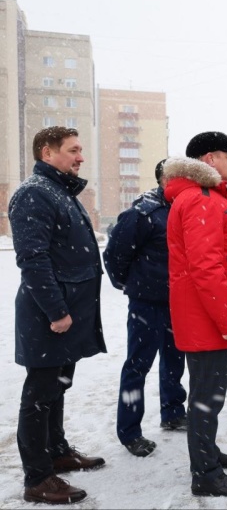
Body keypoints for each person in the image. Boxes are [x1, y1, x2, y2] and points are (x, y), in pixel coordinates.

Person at [9, 126, 106, 505]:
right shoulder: (35, 193)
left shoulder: (59, 190)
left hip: (67, 313)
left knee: (57, 387)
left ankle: (57, 451)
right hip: (49, 316)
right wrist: (57, 311)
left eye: (80, 150)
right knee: (39, 394)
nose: (80, 157)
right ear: (47, 153)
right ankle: (38, 477)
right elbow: (32, 259)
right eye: (73, 150)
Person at [162, 131, 227, 497]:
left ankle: (208, 454)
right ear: (211, 159)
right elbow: (207, 268)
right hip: (209, 318)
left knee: (206, 393)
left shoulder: (206, 197)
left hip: (204, 315)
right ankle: (206, 474)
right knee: (206, 397)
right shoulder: (202, 200)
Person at [103, 159, 187, 458]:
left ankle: (173, 412)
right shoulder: (143, 212)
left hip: (177, 302)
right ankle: (130, 432)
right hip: (147, 304)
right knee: (138, 365)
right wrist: (133, 285)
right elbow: (114, 255)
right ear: (166, 179)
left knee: (175, 360)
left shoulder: (184, 206)